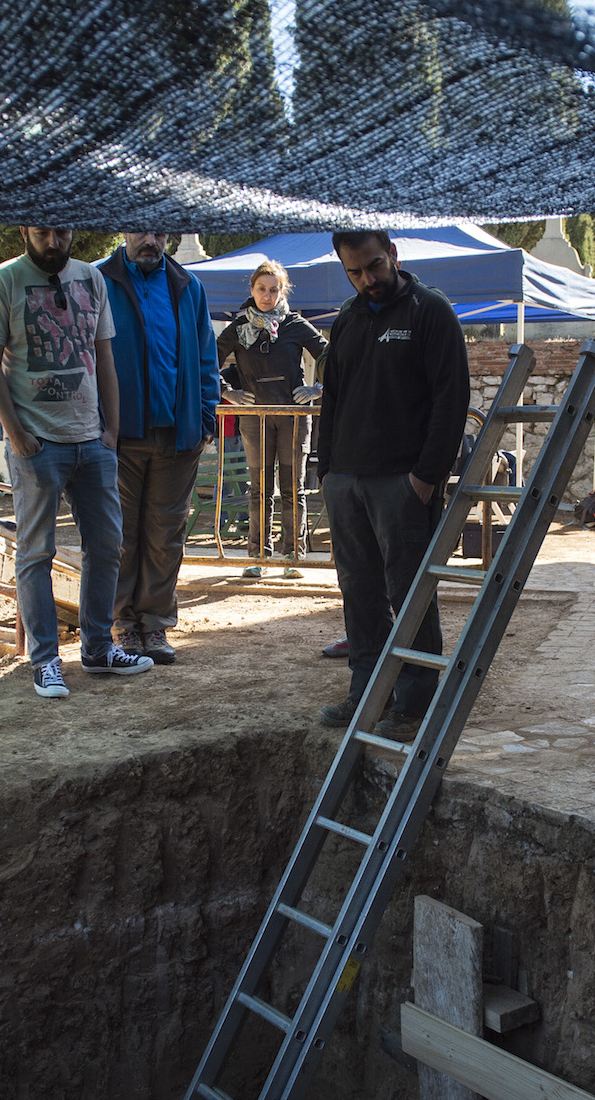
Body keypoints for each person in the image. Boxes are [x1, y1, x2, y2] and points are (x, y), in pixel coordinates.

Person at [0, 226, 153, 697]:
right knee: (37, 552)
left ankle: (97, 649)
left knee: (108, 545)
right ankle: (46, 660)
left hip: (91, 439)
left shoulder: (91, 280)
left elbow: (104, 357)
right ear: (24, 231)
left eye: (62, 230)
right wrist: (15, 433)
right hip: (38, 443)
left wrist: (110, 430)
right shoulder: (4, 280)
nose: (54, 239)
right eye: (43, 231)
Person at [316, 230, 469, 736]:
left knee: (409, 594)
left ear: (394, 256)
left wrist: (425, 478)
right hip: (347, 482)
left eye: (375, 266)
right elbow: (331, 399)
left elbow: (451, 401)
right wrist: (327, 471)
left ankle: (415, 704)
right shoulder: (348, 318)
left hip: (403, 485)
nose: (368, 279)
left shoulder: (431, 311)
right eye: (355, 272)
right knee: (358, 591)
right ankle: (366, 694)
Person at [96, 232, 219, 663]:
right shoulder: (98, 280)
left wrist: (206, 416)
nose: (150, 239)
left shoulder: (188, 285)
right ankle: (123, 627)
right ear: (123, 230)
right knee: (121, 536)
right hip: (118, 434)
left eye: (160, 231)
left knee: (166, 537)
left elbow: (207, 356)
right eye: (140, 229)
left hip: (177, 432)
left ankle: (155, 625)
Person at [215, 259, 325, 580]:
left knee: (294, 488)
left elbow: (331, 355)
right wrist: (227, 392)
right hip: (254, 417)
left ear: (282, 291)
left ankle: (293, 556)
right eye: (261, 289)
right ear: (252, 289)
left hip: (292, 417)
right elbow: (205, 359)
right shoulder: (238, 329)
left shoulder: (295, 324)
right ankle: (258, 556)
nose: (267, 295)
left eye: (273, 289)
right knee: (259, 489)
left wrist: (318, 388)